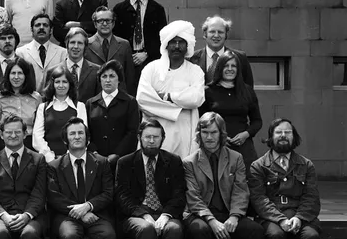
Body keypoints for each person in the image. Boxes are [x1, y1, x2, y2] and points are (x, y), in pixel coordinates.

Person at [248, 118, 331, 239]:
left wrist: (300, 218)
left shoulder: (306, 165)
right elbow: (259, 199)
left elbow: (311, 197)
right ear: (270, 137)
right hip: (272, 219)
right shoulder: (258, 166)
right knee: (274, 237)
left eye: (288, 132)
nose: (283, 136)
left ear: (294, 137)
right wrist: (280, 219)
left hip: (301, 219)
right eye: (279, 132)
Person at [183, 112, 264, 239]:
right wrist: (211, 221)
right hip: (201, 215)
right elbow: (193, 197)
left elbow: (241, 190)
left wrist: (235, 217)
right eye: (204, 132)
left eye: (213, 132)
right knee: (199, 231)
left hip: (229, 215)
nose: (209, 137)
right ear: (198, 135)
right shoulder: (189, 162)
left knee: (255, 230)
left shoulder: (236, 158)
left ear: (222, 134)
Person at [115, 119, 186, 239]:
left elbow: (179, 195)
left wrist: (166, 215)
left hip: (165, 213)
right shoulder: (125, 162)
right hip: (136, 215)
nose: (151, 141)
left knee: (174, 229)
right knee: (146, 230)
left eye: (156, 137)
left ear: (163, 139)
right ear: (139, 138)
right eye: (147, 137)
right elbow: (122, 196)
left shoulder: (173, 161)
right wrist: (144, 214)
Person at [47, 117, 115, 239]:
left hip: (96, 214)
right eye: (72, 134)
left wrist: (89, 206)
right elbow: (54, 197)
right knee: (69, 236)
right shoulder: (54, 166)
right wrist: (80, 212)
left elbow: (108, 193)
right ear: (65, 139)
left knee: (109, 236)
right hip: (67, 216)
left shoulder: (101, 162)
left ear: (87, 137)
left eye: (80, 133)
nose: (77, 137)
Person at [136, 20, 205, 158]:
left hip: (184, 133)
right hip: (153, 134)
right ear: (166, 44)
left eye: (181, 42)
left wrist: (168, 97)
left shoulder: (195, 71)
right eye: (173, 42)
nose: (177, 46)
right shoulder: (151, 68)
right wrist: (180, 107)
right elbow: (143, 100)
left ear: (187, 46)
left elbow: (196, 99)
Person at [199, 51, 262, 175]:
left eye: (233, 66)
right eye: (226, 66)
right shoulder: (208, 91)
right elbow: (200, 121)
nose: (230, 69)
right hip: (216, 146)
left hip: (243, 146)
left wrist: (246, 134)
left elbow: (257, 121)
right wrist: (220, 137)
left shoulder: (247, 90)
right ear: (219, 68)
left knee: (247, 183)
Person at [112, 0, 167, 87]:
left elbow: (163, 38)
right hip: (125, 63)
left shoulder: (157, 9)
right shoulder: (119, 9)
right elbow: (115, 38)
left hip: (151, 61)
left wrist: (147, 53)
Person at [85, 60, 139, 164]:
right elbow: (87, 131)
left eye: (112, 76)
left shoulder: (130, 102)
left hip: (122, 160)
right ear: (99, 80)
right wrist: (95, 153)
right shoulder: (90, 103)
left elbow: (132, 132)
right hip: (96, 160)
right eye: (104, 76)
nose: (108, 80)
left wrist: (117, 154)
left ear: (119, 79)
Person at [32, 66, 87, 162]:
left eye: (64, 82)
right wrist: (50, 157)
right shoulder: (43, 108)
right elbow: (37, 137)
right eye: (57, 82)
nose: (61, 85)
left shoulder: (79, 106)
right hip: (48, 161)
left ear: (70, 84)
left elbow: (84, 135)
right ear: (52, 84)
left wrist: (68, 158)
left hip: (72, 160)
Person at [85, 7, 136, 95]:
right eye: (100, 21)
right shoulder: (86, 44)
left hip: (119, 97)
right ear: (95, 24)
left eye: (108, 20)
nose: (105, 24)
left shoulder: (124, 45)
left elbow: (129, 77)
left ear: (113, 23)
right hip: (94, 97)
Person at [190, 15, 254, 86]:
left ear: (226, 35)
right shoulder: (191, 58)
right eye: (212, 32)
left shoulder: (240, 57)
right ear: (205, 34)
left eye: (220, 32)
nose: (216, 35)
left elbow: (248, 89)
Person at [0, 59, 41, 150]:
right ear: (8, 75)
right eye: (13, 73)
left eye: (20, 73)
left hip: (30, 144)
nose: (16, 77)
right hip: (7, 143)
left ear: (26, 75)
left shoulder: (36, 98)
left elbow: (39, 127)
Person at [15, 13, 68, 93]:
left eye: (45, 25)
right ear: (31, 30)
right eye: (37, 25)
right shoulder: (20, 52)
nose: (41, 27)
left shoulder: (63, 53)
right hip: (29, 99)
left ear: (51, 30)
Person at [64, 27, 101, 102]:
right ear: (67, 45)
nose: (76, 46)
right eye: (72, 42)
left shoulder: (97, 71)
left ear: (85, 47)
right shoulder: (53, 71)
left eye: (80, 43)